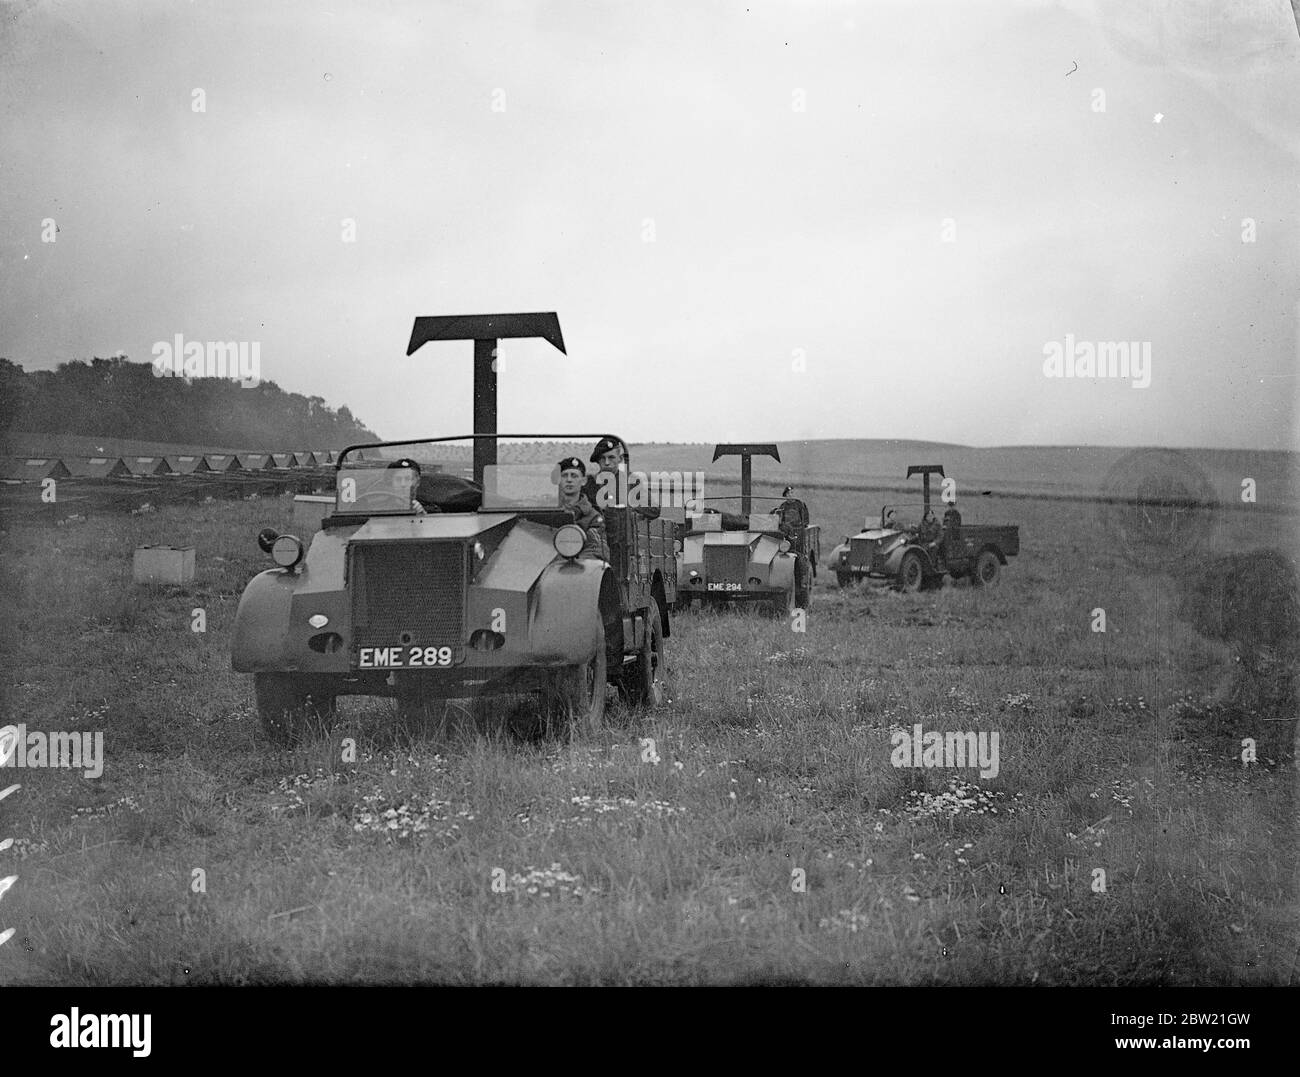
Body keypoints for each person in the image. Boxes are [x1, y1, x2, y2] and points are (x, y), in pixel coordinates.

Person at [585, 436, 659, 519]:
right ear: (598, 461)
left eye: (611, 457)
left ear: (620, 459)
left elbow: (654, 510)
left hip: (622, 529)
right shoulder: (590, 483)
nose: (607, 462)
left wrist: (626, 507)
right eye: (602, 458)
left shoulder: (631, 481)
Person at [557, 456, 609, 561]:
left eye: (574, 476)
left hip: (576, 570)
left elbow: (597, 549)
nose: (569, 480)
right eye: (564, 476)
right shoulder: (549, 512)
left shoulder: (593, 517)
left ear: (583, 481)